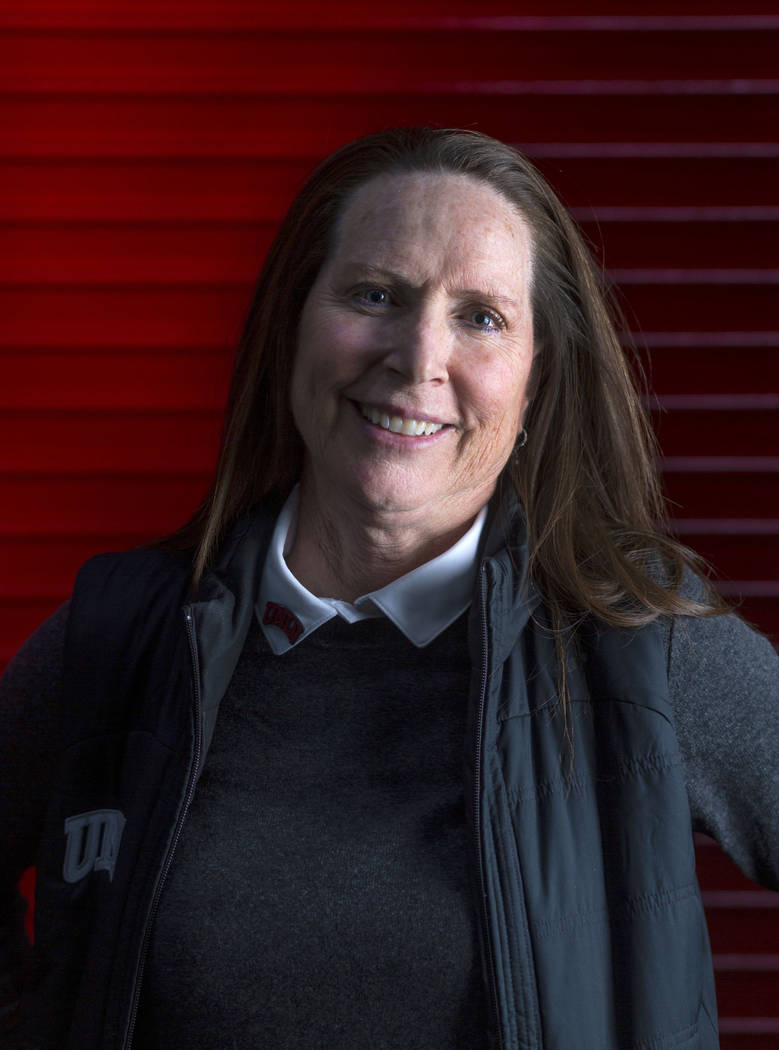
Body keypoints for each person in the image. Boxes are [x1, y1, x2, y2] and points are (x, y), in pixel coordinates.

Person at [1, 126, 777, 1050]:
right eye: (375, 295)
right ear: (291, 326)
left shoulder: (641, 645)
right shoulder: (124, 639)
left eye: (480, 317)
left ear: (535, 383)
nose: (417, 359)